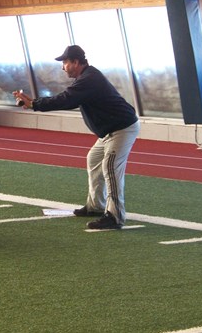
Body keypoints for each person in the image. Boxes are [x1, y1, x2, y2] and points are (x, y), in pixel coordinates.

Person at [13, 45, 140, 230]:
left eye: (65, 62)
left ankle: (115, 217)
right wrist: (34, 103)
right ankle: (96, 207)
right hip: (109, 131)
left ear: (76, 62)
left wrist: (34, 104)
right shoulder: (86, 78)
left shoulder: (89, 79)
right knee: (94, 159)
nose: (63, 67)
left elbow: (66, 99)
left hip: (122, 128)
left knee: (110, 167)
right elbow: (69, 99)